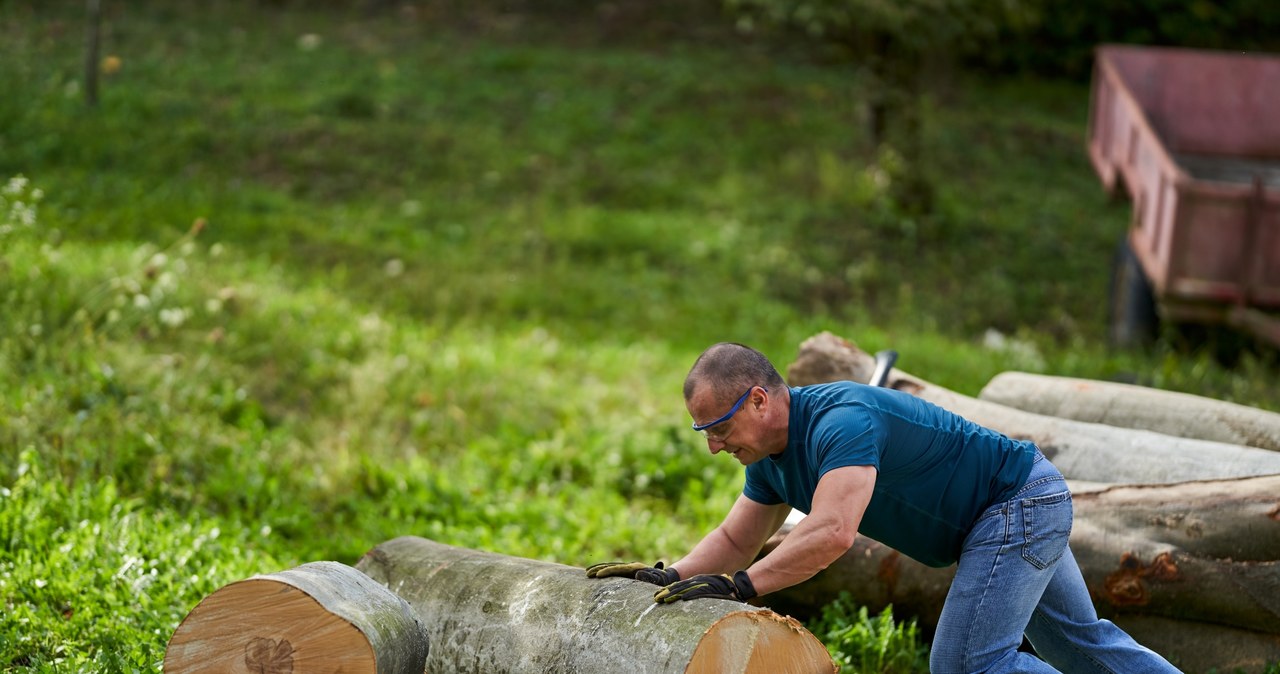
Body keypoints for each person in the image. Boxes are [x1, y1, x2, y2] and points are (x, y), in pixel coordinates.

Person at [586, 342, 1180, 674]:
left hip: (1017, 502)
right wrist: (670, 575)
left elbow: (833, 532)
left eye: (717, 427)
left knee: (968, 666)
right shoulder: (766, 457)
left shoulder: (841, 421)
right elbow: (736, 539)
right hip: (1018, 503)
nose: (714, 445)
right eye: (703, 433)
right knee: (1081, 645)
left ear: (760, 399)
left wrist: (742, 588)